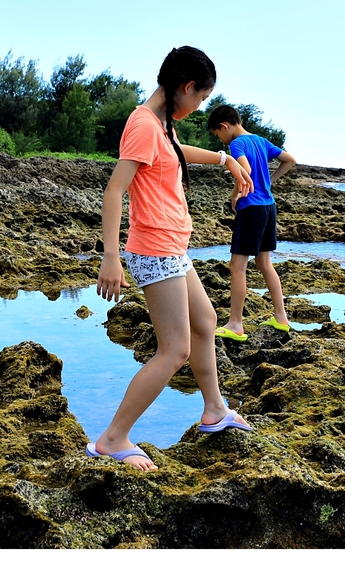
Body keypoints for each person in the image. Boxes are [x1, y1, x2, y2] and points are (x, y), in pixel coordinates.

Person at [89, 46, 256, 471]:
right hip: (154, 249)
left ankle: (215, 410)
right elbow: (114, 190)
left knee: (205, 323)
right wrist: (111, 258)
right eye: (201, 98)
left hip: (174, 248)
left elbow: (179, 155)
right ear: (185, 87)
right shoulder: (143, 125)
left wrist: (226, 160)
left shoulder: (162, 124)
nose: (200, 106)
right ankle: (112, 438)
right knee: (175, 350)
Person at [207, 104, 297, 340]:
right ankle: (281, 317)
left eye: (219, 136)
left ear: (225, 126)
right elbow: (289, 160)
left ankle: (235, 323)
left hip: (251, 208)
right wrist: (270, 181)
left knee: (237, 267)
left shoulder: (237, 144)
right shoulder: (261, 141)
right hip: (269, 207)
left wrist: (236, 192)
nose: (222, 142)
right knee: (265, 263)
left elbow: (244, 168)